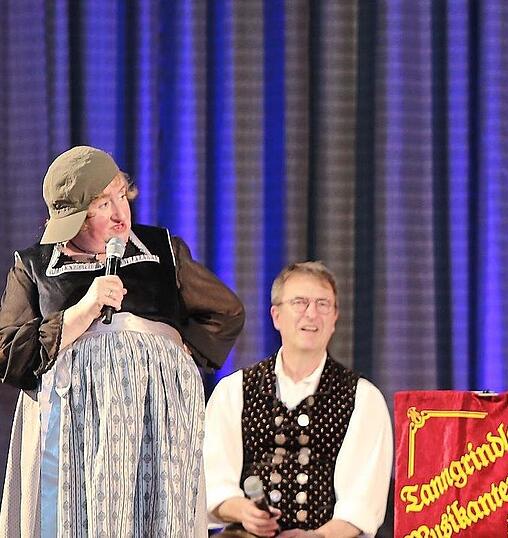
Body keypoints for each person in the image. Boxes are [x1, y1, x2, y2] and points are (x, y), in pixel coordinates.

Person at [0, 145, 245, 536]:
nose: (120, 214)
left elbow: (226, 311)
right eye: (101, 205)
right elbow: (8, 353)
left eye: (121, 195)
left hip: (156, 418)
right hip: (75, 427)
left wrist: (177, 350)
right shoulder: (34, 266)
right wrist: (84, 310)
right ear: (74, 220)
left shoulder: (162, 251)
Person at [203, 261, 392, 537]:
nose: (312, 314)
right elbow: (213, 482)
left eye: (323, 304)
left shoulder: (363, 399)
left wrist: (317, 536)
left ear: (335, 317)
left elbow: (361, 505)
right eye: (300, 303)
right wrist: (244, 511)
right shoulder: (233, 390)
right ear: (276, 316)